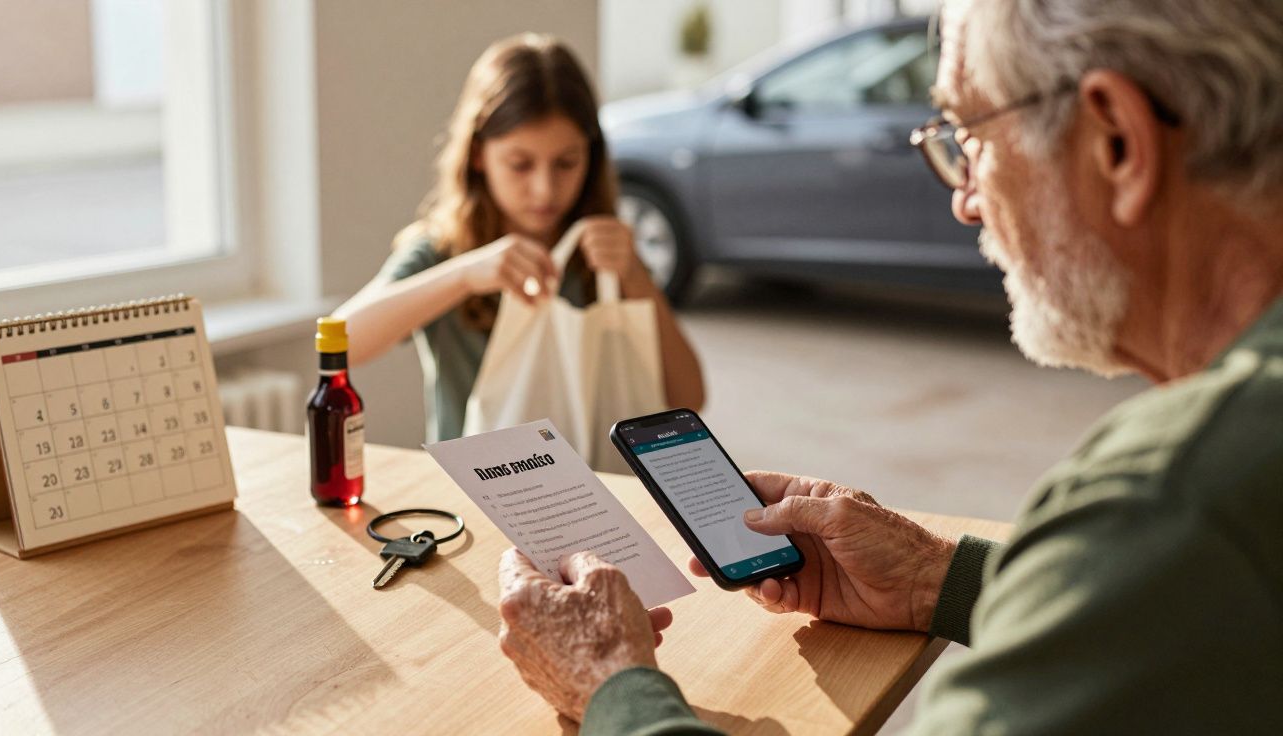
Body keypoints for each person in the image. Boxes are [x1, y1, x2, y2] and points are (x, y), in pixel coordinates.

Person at [495, 0, 1283, 733]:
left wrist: (613, 686)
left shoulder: (1171, 496)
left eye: (969, 139)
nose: (964, 201)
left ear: (1117, 143)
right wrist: (933, 578)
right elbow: (1178, 610)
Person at [335, 34, 704, 443]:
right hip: (472, 481)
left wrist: (633, 273)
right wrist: (463, 275)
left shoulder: (605, 253)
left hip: (589, 478)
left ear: (592, 155)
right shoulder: (442, 250)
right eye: (520, 164)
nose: (545, 189)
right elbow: (339, 344)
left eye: (566, 163)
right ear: (478, 155)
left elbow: (689, 397)